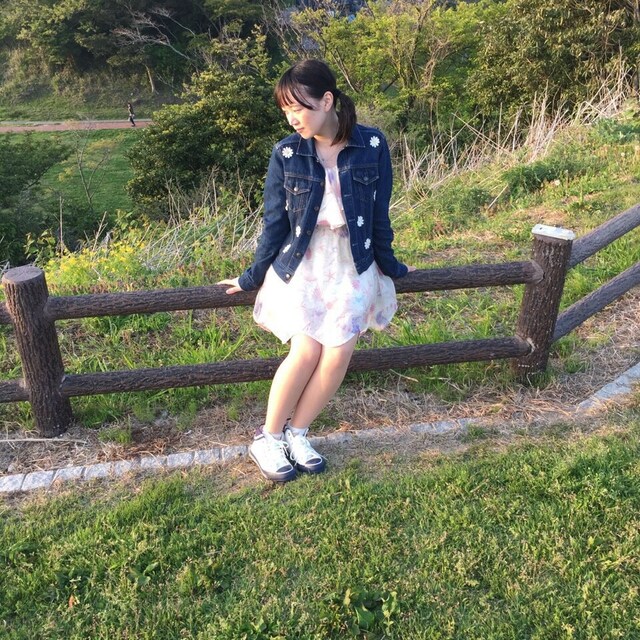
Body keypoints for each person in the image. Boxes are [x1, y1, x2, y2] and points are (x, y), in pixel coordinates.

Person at [218, 59, 414, 482]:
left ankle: (298, 434)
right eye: (286, 110)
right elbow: (274, 224)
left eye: (298, 108)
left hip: (352, 261)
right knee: (306, 351)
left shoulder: (373, 144)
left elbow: (380, 215)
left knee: (339, 353)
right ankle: (268, 438)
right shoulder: (286, 153)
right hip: (303, 264)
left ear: (327, 101)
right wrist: (251, 277)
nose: (292, 118)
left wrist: (392, 265)